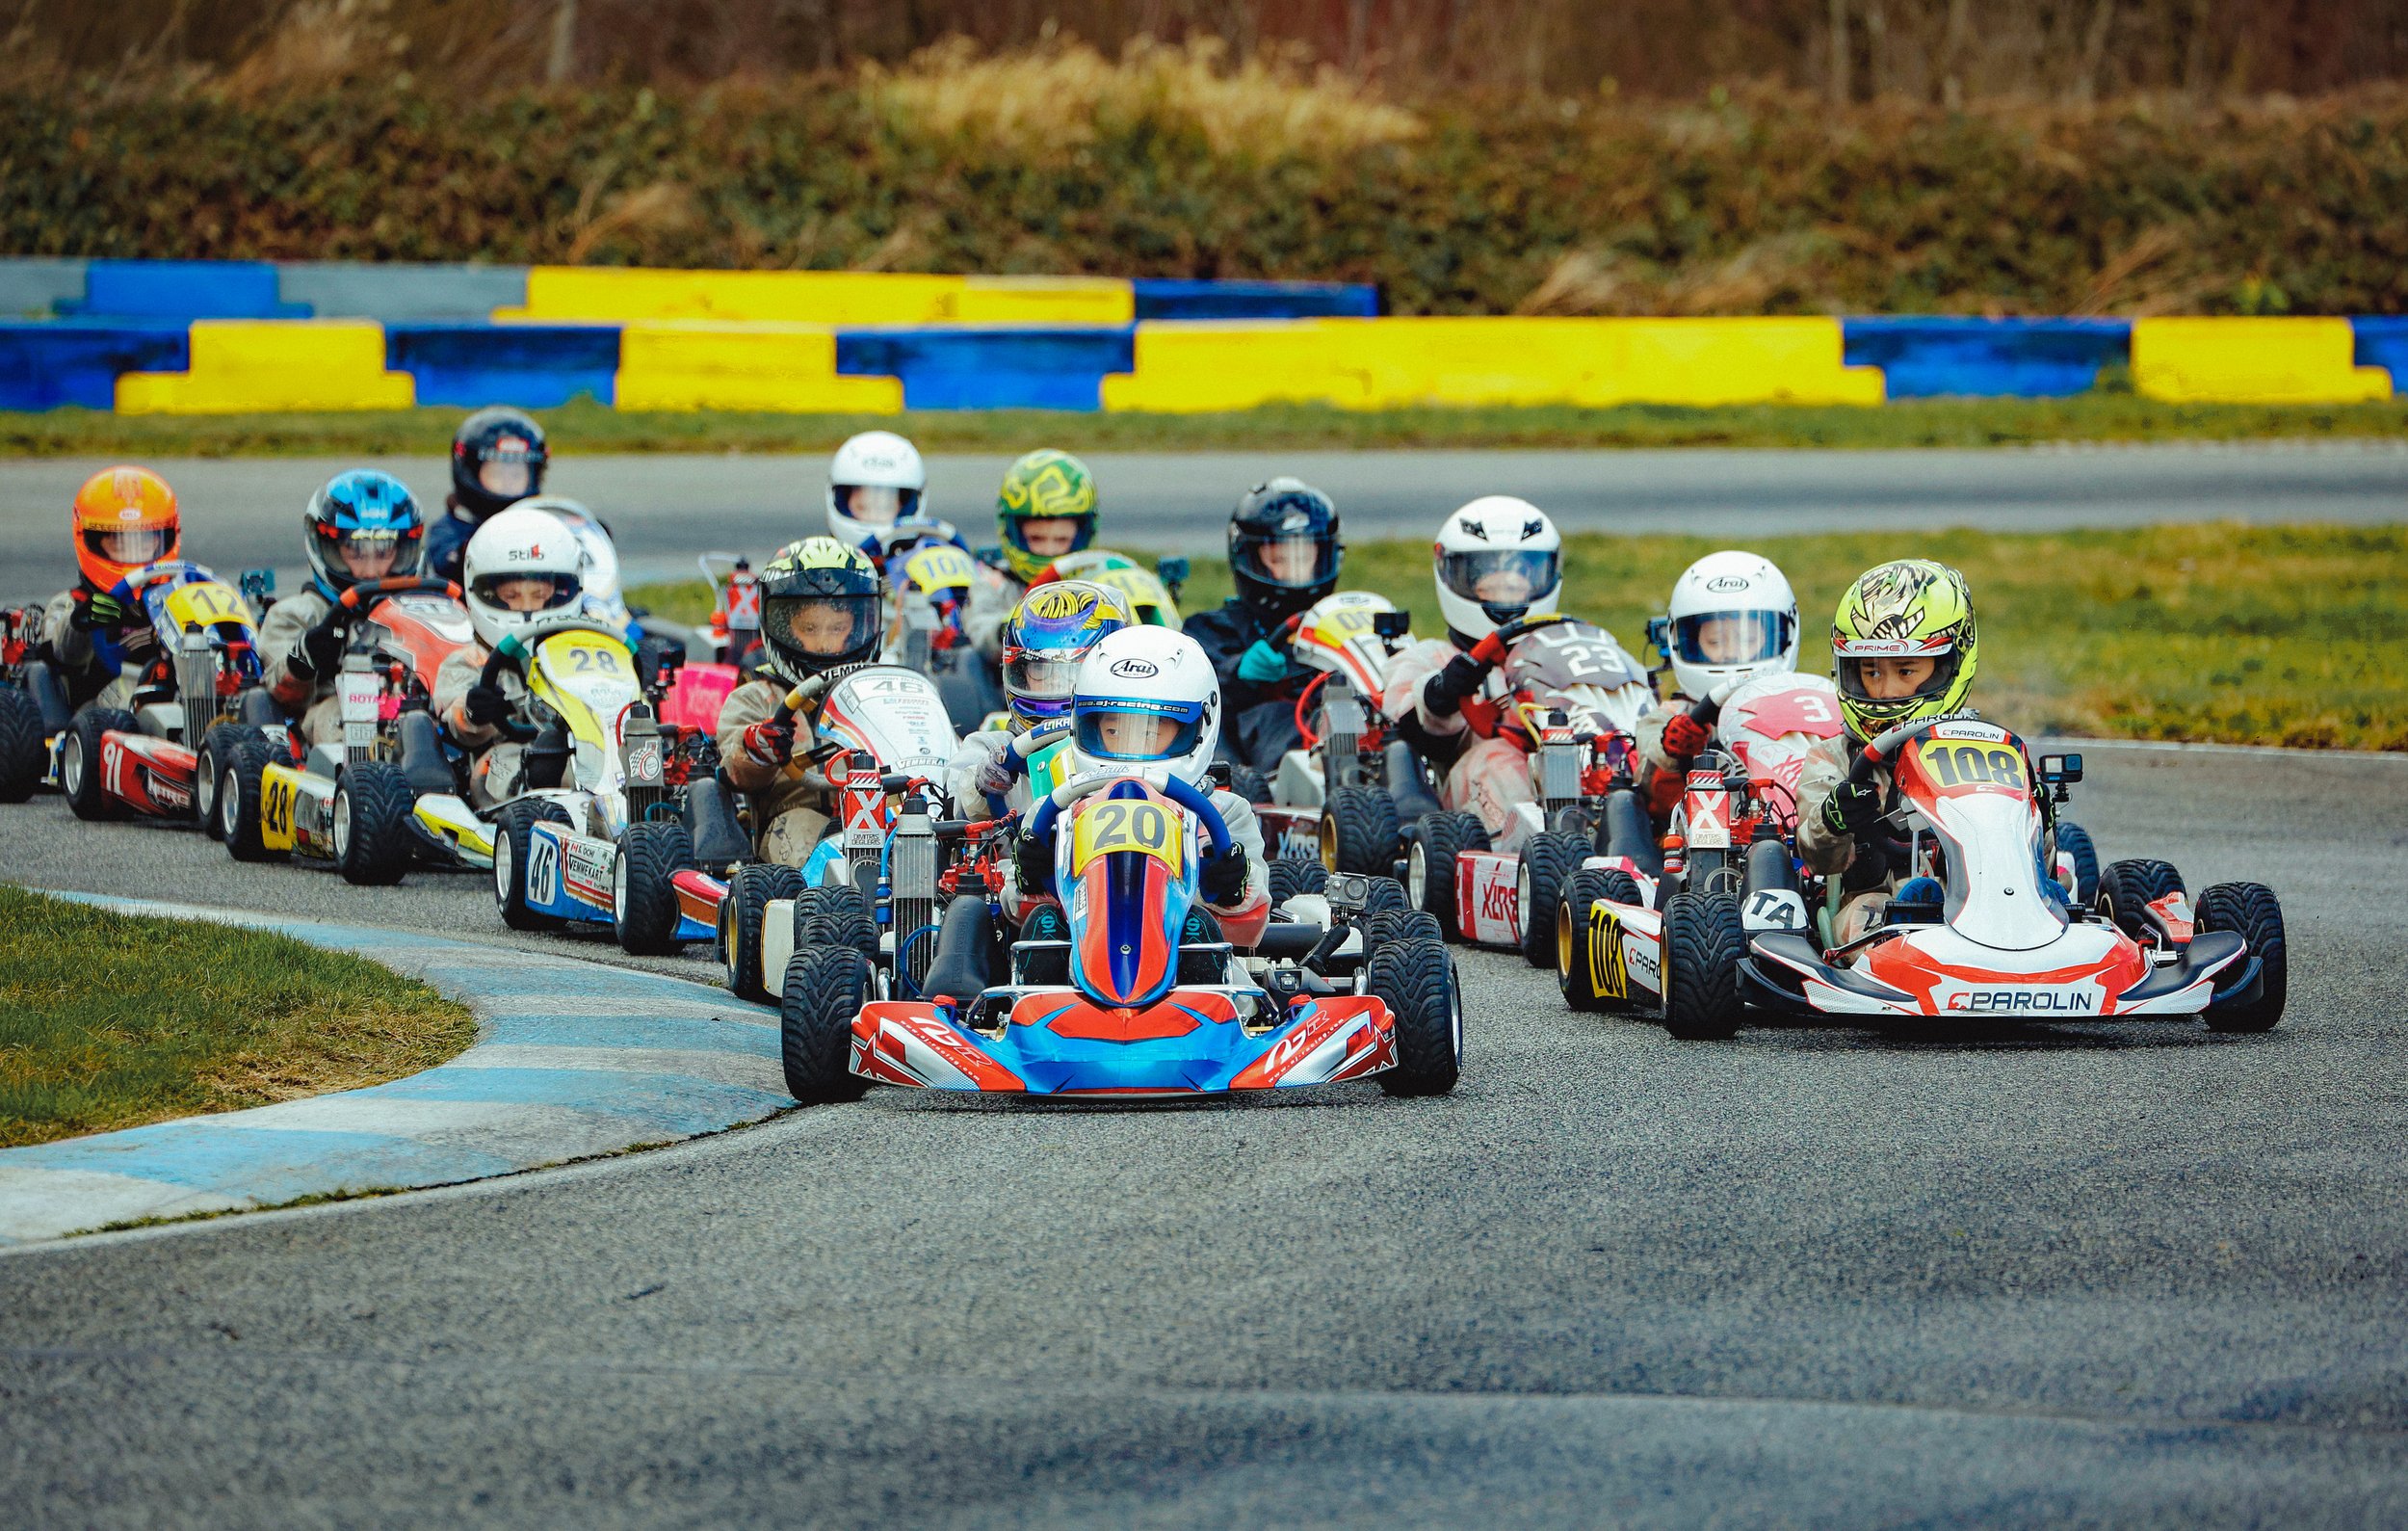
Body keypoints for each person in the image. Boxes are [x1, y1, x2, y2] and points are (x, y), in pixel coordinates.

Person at [1009, 626, 1269, 937]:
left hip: (1186, 954)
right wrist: (1033, 877)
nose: (1129, 746)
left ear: (1199, 727)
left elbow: (1253, 923)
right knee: (1040, 926)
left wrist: (1227, 885)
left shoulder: (1224, 813)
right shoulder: (1056, 814)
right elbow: (1013, 907)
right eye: (1114, 731)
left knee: (1201, 928)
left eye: (1149, 732)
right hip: (1075, 950)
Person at [1795, 559, 1982, 946]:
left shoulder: (1983, 751)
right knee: (1868, 913)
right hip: (1872, 910)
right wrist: (1834, 818)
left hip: (1978, 903)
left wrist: (2034, 815)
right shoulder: (1834, 758)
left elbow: (2038, 861)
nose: (1886, 692)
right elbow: (1815, 857)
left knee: (2056, 891)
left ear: (1950, 665)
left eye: (1906, 671)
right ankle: (1910, 944)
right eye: (1872, 672)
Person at [1378, 495, 1564, 848]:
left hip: (1562, 774)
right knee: (1497, 758)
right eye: (1490, 586)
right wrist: (1445, 689)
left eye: (1515, 587)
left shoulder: (1561, 653)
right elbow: (1407, 726)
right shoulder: (1428, 657)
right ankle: (1537, 853)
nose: (1505, 598)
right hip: (1463, 802)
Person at [712, 538, 886, 866]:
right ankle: (825, 889)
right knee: (804, 829)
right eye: (809, 628)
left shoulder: (883, 693)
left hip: (882, 817)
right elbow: (735, 768)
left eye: (837, 628)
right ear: (785, 628)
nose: (824, 644)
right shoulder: (757, 697)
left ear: (858, 626)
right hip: (791, 824)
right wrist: (758, 747)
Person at [1183, 478, 1343, 775]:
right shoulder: (1211, 629)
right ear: (1248, 557)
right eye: (1280, 558)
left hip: (1340, 728)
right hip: (1265, 756)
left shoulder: (1340, 623)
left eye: (1304, 558)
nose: (1294, 571)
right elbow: (1190, 693)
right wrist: (1238, 672)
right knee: (1275, 715)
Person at [432, 506, 587, 807]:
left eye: (539, 595)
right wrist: (475, 711)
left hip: (582, 751)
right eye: (512, 596)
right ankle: (534, 796)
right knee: (508, 762)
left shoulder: (580, 653)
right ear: (487, 593)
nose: (527, 609)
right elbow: (456, 718)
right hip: (506, 752)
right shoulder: (469, 660)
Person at [258, 470, 427, 746]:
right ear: (327, 547)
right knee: (344, 714)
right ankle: (364, 769)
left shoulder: (421, 612)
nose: (371, 571)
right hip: (331, 715)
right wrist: (307, 655)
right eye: (356, 551)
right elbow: (280, 690)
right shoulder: (296, 615)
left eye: (383, 552)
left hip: (416, 711)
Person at [943, 580, 1132, 813]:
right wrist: (981, 785)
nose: (1055, 682)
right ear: (1020, 674)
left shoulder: (1131, 746)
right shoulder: (991, 749)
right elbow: (956, 807)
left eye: (1074, 671)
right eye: (1041, 669)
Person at [1633, 550, 1799, 809]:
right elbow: (1650, 788)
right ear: (1688, 643)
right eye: (1715, 641)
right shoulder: (1669, 717)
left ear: (1781, 636)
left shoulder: (1799, 707)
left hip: (1789, 823)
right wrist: (1673, 751)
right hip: (1696, 829)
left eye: (1747, 639)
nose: (1731, 652)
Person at [34, 465, 182, 712]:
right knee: (122, 694)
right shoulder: (71, 602)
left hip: (179, 695)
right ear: (92, 540)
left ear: (165, 537)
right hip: (99, 714)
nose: (133, 553)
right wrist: (80, 622)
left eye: (145, 542)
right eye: (119, 542)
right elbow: (60, 654)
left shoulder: (180, 595)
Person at [964, 448, 1100, 659]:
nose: (1049, 550)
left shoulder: (1097, 581)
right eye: (1037, 539)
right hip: (1017, 676)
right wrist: (1014, 625)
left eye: (1061, 540)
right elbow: (981, 633)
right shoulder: (995, 584)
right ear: (1013, 534)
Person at [425, 408, 548, 583]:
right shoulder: (449, 529)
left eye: (516, 475)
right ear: (470, 473)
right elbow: (444, 561)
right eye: (497, 474)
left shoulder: (542, 524)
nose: (507, 482)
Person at [824, 431, 929, 553]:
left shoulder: (923, 557)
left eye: (885, 508)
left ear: (906, 508)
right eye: (862, 507)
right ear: (840, 501)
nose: (872, 516)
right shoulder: (822, 560)